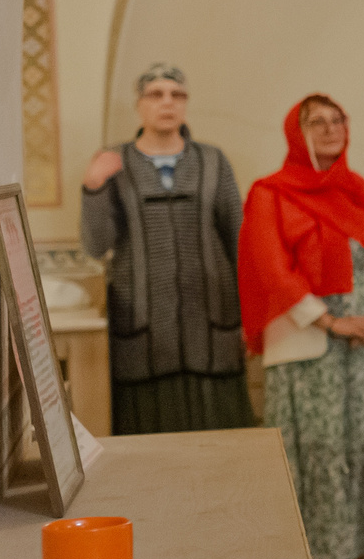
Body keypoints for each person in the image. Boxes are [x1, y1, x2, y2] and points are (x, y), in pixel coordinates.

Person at [239, 95, 364, 559]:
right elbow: (271, 265)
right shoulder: (270, 194)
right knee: (312, 457)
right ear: (296, 132)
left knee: (362, 450)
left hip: (363, 348)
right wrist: (329, 320)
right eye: (317, 122)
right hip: (305, 350)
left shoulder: (360, 191)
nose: (331, 129)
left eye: (338, 120)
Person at [77, 63, 254, 433]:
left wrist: (249, 316)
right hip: (142, 335)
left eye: (177, 95)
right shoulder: (113, 161)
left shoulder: (212, 161)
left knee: (221, 440)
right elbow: (97, 245)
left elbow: (240, 239)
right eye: (155, 94)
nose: (167, 103)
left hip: (213, 329)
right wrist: (93, 188)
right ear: (139, 105)